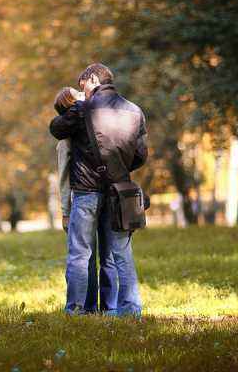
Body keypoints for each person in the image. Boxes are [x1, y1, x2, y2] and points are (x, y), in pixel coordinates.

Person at [49, 63, 148, 316]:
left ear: (92, 79)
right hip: (119, 191)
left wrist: (78, 107)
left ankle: (77, 309)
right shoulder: (135, 111)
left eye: (82, 84)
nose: (82, 91)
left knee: (80, 253)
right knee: (119, 253)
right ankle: (129, 309)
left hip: (87, 190)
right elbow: (140, 156)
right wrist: (116, 167)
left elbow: (56, 128)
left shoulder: (84, 108)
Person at [53, 86, 117, 314]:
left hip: (104, 194)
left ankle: (106, 309)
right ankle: (82, 308)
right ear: (72, 105)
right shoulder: (66, 140)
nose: (85, 95)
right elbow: (63, 178)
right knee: (84, 257)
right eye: (78, 94)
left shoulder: (98, 125)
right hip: (84, 196)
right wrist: (65, 211)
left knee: (104, 255)